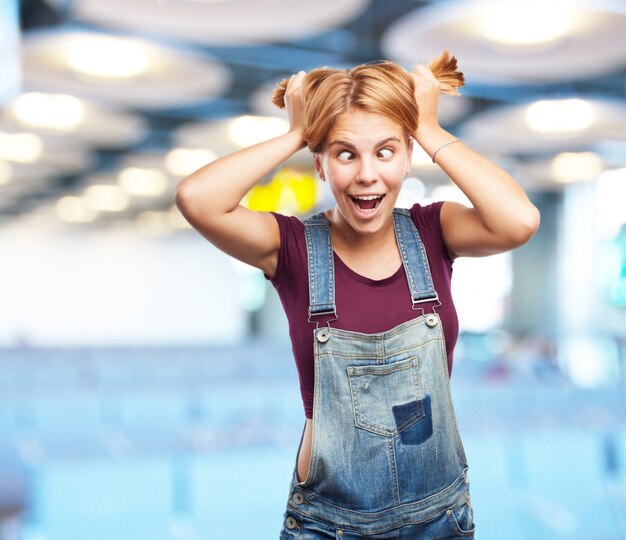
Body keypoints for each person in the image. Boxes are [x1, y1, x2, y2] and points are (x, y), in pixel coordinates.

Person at [175, 50, 540, 539]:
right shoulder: (292, 247)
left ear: (407, 157)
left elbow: (519, 220)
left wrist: (427, 128)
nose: (367, 173)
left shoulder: (435, 232)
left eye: (385, 151)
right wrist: (294, 134)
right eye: (345, 153)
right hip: (328, 524)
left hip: (439, 519)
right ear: (321, 165)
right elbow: (197, 199)